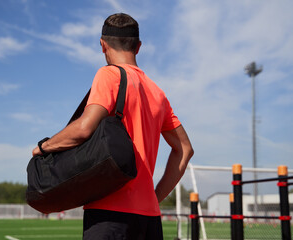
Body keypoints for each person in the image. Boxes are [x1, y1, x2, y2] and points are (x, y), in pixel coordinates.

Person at [32, 13, 194, 240]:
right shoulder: (158, 93)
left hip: (110, 215)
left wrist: (43, 147)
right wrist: (153, 197)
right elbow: (185, 149)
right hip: (150, 220)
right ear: (138, 47)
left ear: (102, 45)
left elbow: (83, 129)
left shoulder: (109, 75)